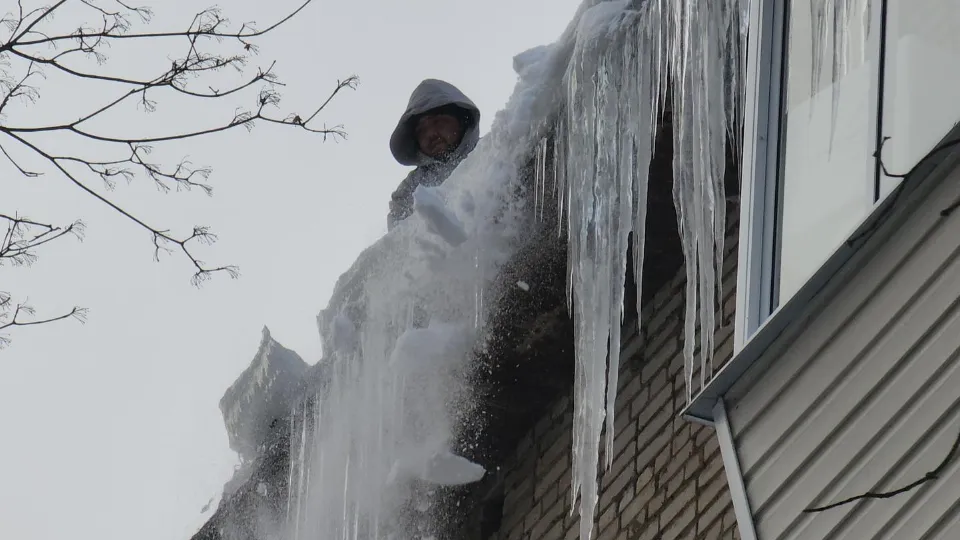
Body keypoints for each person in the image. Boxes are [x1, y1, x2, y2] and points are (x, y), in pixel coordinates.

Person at [387, 79, 481, 230]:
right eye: (421, 131)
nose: (430, 134)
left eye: (438, 122)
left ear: (461, 120)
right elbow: (399, 236)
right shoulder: (412, 187)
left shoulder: (492, 152)